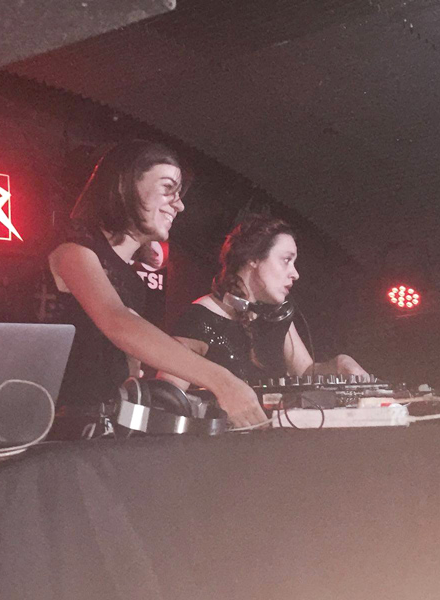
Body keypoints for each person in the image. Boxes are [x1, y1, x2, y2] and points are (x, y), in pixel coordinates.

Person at [47, 140, 266, 437]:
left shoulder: (129, 278)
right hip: (48, 438)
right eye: (167, 188)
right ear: (124, 187)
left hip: (95, 439)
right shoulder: (73, 253)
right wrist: (222, 381)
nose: (179, 204)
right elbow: (117, 321)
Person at [158, 214, 367, 392]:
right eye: (286, 260)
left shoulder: (274, 317)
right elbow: (167, 398)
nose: (295, 274)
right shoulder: (201, 318)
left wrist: (340, 363)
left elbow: (305, 372)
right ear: (253, 258)